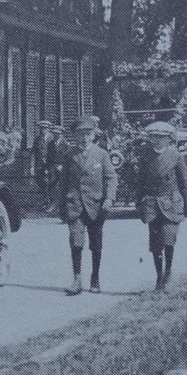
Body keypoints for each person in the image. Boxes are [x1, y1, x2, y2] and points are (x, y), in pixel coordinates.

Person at [59, 116, 118, 296]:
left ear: (93, 135)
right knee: (76, 242)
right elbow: (64, 182)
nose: (84, 138)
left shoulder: (102, 154)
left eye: (87, 134)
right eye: (80, 134)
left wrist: (109, 198)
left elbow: (111, 178)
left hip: (96, 206)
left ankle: (95, 277)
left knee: (96, 243)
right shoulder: (70, 155)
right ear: (75, 136)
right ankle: (77, 279)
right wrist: (61, 205)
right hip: (75, 204)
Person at [135, 121, 187, 290]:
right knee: (156, 243)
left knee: (169, 240)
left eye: (161, 138)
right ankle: (159, 277)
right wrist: (139, 202)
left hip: (171, 202)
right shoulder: (145, 156)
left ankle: (168, 271)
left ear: (168, 139)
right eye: (154, 137)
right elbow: (140, 182)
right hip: (152, 203)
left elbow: (183, 182)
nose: (157, 140)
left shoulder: (175, 156)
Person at [46, 124, 70, 211]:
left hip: (62, 167)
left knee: (62, 185)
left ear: (61, 134)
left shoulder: (65, 144)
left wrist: (62, 165)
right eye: (54, 133)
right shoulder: (50, 144)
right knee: (51, 185)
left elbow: (68, 157)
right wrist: (47, 168)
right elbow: (48, 156)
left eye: (58, 134)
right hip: (52, 167)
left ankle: (62, 205)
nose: (56, 135)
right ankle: (52, 204)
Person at [33, 120, 53, 197]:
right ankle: (44, 191)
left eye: (45, 128)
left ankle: (48, 194)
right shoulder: (37, 139)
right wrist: (32, 166)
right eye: (41, 128)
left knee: (49, 178)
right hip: (39, 163)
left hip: (49, 162)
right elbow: (34, 152)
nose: (43, 130)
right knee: (39, 178)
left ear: (48, 129)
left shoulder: (52, 138)